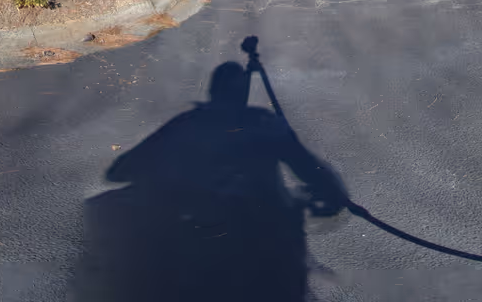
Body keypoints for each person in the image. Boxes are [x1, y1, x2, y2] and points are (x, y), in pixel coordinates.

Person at [74, 61, 348, 301]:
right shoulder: (263, 123)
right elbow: (310, 168)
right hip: (263, 241)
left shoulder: (186, 124)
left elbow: (120, 171)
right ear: (242, 95)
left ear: (212, 92)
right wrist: (332, 195)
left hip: (202, 235)